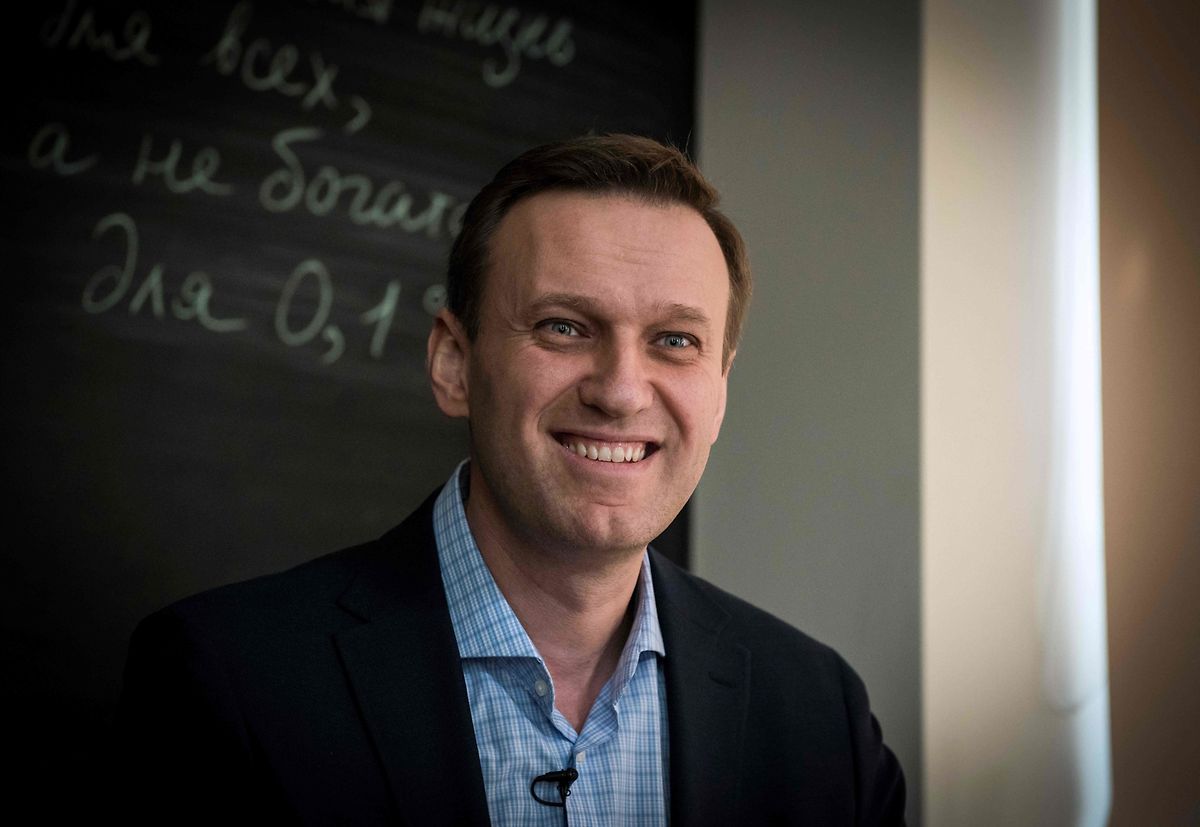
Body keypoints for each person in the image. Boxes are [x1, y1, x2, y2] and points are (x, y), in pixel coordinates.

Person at [115, 134, 905, 825]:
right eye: (564, 326)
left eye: (674, 340)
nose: (621, 391)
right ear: (454, 364)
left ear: (721, 389)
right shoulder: (226, 683)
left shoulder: (820, 717)